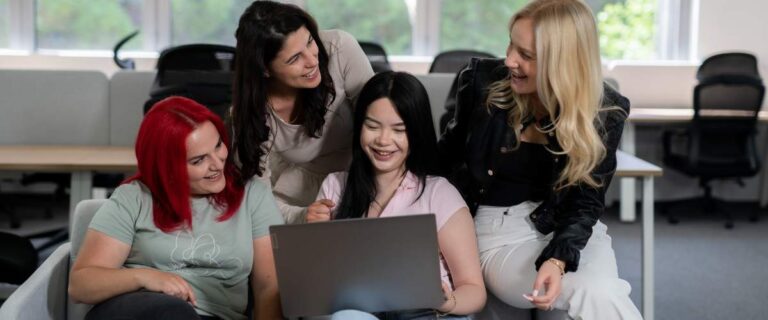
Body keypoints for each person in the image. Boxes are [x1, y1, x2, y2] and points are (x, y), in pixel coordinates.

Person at [438, 0, 643, 319]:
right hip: (497, 232)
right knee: (597, 291)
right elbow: (444, 162)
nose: (509, 61)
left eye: (527, 56)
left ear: (563, 63)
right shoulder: (481, 82)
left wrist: (558, 259)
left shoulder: (603, 112)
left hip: (567, 226)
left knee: (601, 292)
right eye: (511, 45)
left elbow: (586, 201)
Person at [68, 97, 284, 320]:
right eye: (198, 160)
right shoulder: (134, 197)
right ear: (167, 168)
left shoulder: (253, 195)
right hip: (140, 309)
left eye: (218, 145)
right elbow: (81, 285)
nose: (218, 164)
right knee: (174, 312)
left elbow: (269, 289)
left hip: (213, 316)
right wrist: (146, 277)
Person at [307, 71, 486, 319]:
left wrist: (448, 301)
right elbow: (316, 287)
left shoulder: (439, 193)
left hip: (426, 311)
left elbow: (474, 290)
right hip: (357, 311)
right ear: (359, 126)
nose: (383, 140)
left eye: (399, 130)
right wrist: (314, 236)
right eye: (372, 126)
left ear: (416, 133)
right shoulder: (335, 187)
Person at [231, 0, 374, 224]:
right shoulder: (252, 114)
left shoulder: (339, 48)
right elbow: (258, 201)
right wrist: (301, 216)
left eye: (310, 42)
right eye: (294, 58)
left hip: (366, 175)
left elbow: (381, 118)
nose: (312, 60)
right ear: (265, 69)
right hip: (300, 199)